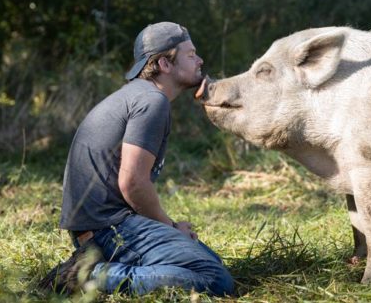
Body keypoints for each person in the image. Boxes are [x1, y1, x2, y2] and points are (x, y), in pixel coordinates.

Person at [39, 22, 234, 296]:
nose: (200, 60)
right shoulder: (153, 101)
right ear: (165, 63)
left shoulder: (137, 96)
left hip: (100, 228)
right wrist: (172, 227)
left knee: (211, 263)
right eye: (190, 55)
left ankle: (96, 266)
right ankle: (89, 277)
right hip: (108, 230)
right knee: (215, 280)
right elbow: (132, 182)